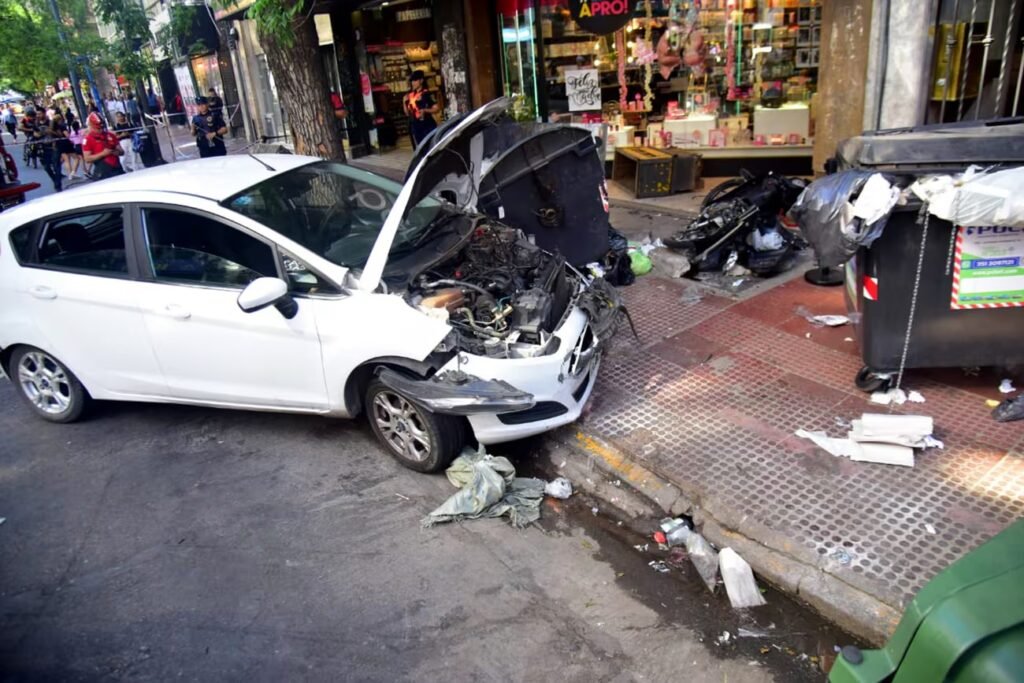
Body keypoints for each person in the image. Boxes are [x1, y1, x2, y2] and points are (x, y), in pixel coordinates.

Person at [82, 111, 124, 179]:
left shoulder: (110, 135)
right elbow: (87, 159)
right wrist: (103, 154)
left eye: (102, 128)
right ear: (91, 126)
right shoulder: (87, 139)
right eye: (98, 128)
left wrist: (116, 152)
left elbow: (122, 151)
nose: (100, 130)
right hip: (103, 171)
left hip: (117, 168)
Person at [403, 70, 438, 147]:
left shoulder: (427, 94)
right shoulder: (410, 95)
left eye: (415, 80)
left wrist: (425, 110)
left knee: (431, 147)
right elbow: (407, 113)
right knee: (421, 148)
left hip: (427, 125)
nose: (413, 83)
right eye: (412, 81)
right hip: (416, 126)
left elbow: (436, 108)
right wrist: (404, 102)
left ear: (421, 80)